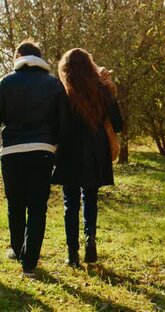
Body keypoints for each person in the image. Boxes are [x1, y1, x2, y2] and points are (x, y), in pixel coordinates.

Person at [0, 39, 67, 277]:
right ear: (39, 59)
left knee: (15, 204)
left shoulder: (5, 83)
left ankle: (17, 249)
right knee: (37, 207)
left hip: (12, 153)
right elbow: (63, 124)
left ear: (18, 58)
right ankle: (30, 264)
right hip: (43, 151)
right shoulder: (54, 85)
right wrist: (57, 152)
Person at [52, 48, 123, 267]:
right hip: (95, 150)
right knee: (90, 198)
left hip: (70, 150)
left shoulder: (63, 93)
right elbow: (118, 125)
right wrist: (110, 92)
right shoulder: (102, 90)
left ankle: (72, 254)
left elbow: (57, 127)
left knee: (70, 203)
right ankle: (90, 241)